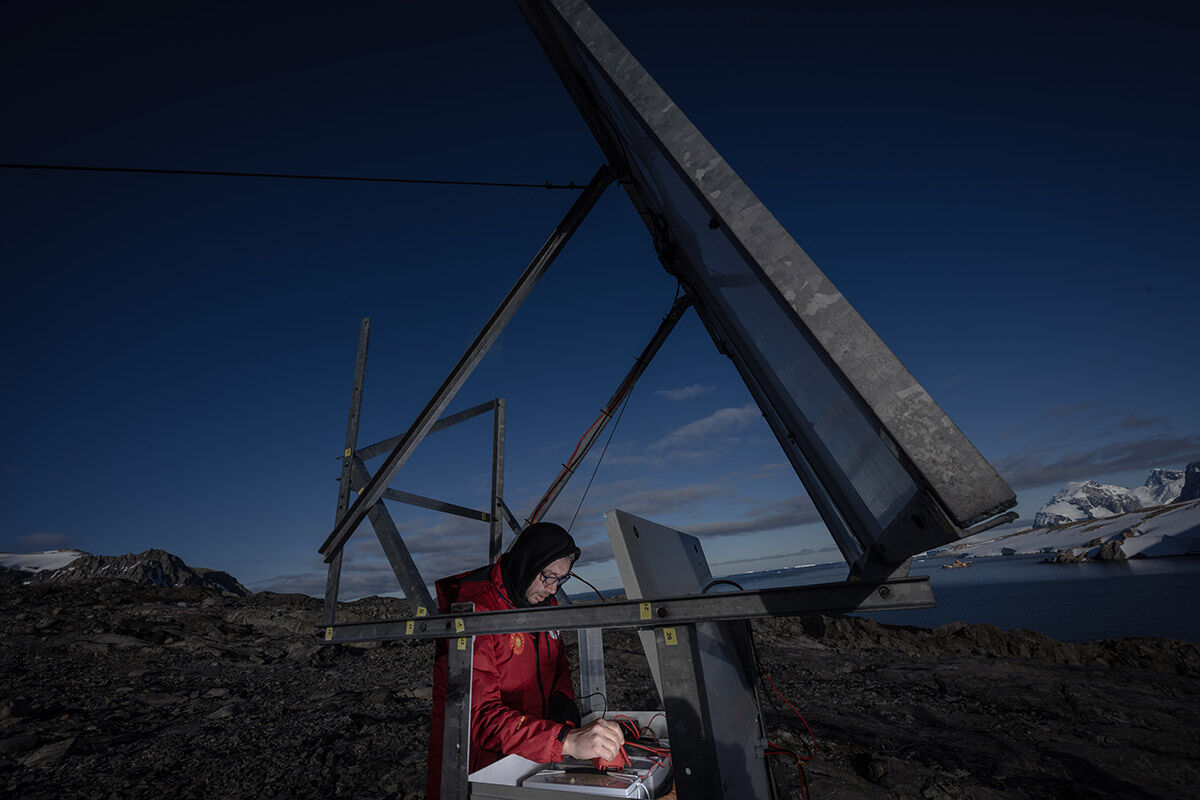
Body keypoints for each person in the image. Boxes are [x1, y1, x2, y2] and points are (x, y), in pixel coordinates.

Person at [425, 522, 625, 798]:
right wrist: (564, 741)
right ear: (526, 564)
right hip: (478, 771)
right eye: (548, 576)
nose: (553, 590)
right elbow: (479, 719)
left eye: (561, 579)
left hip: (531, 756)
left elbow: (558, 663)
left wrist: (561, 701)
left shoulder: (543, 605)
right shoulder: (476, 612)